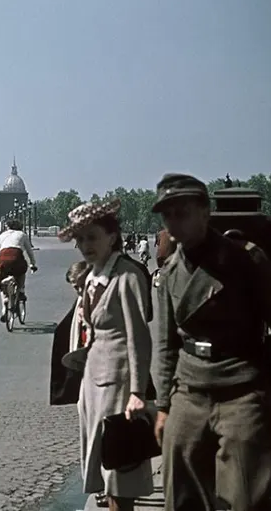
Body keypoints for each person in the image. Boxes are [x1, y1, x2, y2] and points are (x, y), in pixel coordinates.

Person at [150, 173, 271, 511]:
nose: (174, 223)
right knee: (181, 490)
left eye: (183, 212)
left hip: (240, 388)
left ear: (205, 213)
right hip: (189, 389)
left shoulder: (244, 259)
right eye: (167, 215)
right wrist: (163, 406)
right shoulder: (169, 271)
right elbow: (165, 345)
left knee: (246, 491)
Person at [57, 198, 154, 511]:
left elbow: (139, 338)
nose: (86, 245)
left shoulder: (127, 277)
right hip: (93, 384)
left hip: (119, 383)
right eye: (81, 239)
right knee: (103, 465)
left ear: (112, 237)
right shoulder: (91, 276)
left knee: (120, 470)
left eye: (92, 237)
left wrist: (137, 391)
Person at [0, 219, 38, 322]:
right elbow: (30, 251)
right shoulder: (22, 234)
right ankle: (21, 290)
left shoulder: (1, 236)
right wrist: (32, 264)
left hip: (3, 259)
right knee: (22, 271)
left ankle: (4, 305)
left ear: (8, 227)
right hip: (17, 257)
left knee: (1, 283)